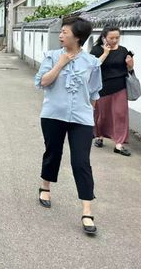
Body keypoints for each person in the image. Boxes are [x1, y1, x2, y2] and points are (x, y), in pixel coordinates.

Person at [35, 16, 102, 236]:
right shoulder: (52, 56)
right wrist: (60, 64)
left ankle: (87, 210)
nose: (61, 35)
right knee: (53, 152)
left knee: (81, 161)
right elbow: (42, 82)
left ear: (78, 37)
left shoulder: (92, 62)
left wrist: (91, 114)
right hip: (53, 114)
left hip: (81, 118)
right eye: (61, 31)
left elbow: (94, 92)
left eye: (65, 32)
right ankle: (45, 186)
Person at [90, 26, 135, 156]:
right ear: (104, 37)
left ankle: (119, 144)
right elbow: (92, 67)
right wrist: (105, 53)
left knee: (120, 114)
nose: (114, 40)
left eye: (117, 38)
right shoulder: (96, 50)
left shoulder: (123, 50)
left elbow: (128, 70)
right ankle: (99, 136)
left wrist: (130, 65)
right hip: (102, 88)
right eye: (111, 38)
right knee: (102, 115)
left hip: (120, 87)